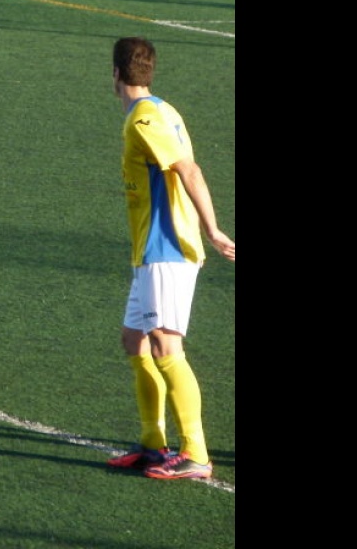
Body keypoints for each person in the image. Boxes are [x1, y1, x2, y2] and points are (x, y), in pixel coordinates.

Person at [104, 36, 235, 480]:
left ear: (116, 73)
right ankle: (153, 445)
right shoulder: (163, 108)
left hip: (169, 247)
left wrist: (213, 230)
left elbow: (189, 170)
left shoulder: (144, 118)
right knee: (134, 340)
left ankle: (195, 453)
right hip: (151, 249)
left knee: (165, 345)